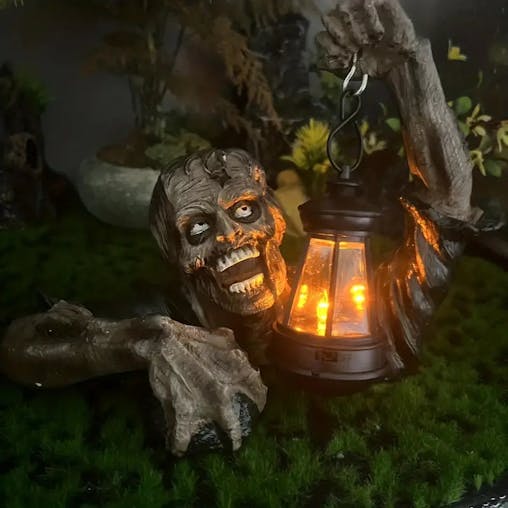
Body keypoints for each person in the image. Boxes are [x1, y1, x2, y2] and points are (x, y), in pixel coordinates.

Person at [0, 0, 490, 456]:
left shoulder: (340, 309)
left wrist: (409, 71)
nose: (229, 236)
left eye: (244, 210)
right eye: (197, 229)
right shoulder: (173, 317)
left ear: (276, 217)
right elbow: (23, 345)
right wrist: (140, 341)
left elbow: (448, 203)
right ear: (175, 255)